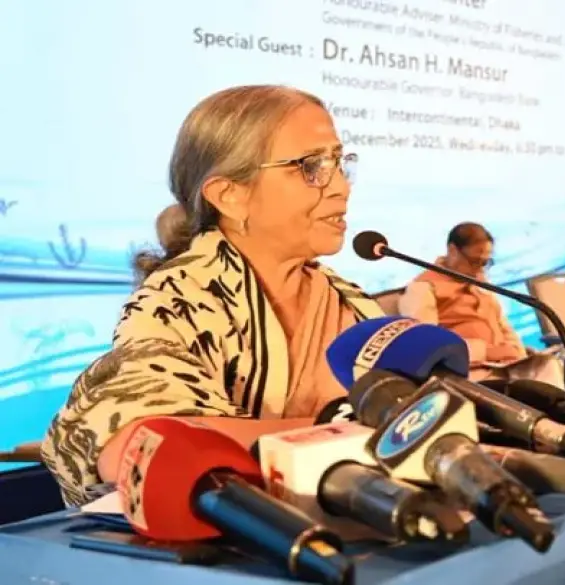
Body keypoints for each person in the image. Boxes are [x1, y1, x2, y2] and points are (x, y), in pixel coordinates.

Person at [40, 85, 383, 507]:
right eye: (311, 166)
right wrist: (345, 432)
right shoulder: (176, 300)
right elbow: (141, 448)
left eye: (340, 163)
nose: (341, 188)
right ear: (228, 195)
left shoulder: (349, 302)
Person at [398, 223, 562, 385]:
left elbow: (503, 325)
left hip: (507, 365)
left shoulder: (479, 282)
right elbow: (427, 346)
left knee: (549, 365)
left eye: (485, 263)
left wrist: (516, 351)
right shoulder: (423, 288)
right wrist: (487, 352)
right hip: (471, 373)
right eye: (474, 261)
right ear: (453, 250)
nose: (479, 269)